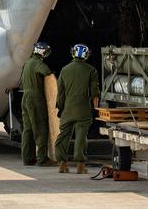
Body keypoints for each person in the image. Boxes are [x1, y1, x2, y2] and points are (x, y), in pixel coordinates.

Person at [55, 43, 100, 174]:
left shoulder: (64, 70)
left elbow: (60, 94)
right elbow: (94, 93)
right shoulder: (91, 70)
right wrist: (95, 109)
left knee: (63, 136)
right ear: (86, 55)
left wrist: (61, 108)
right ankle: (80, 165)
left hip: (68, 109)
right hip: (83, 110)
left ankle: (62, 164)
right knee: (81, 137)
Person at [21, 41, 55, 166]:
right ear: (41, 52)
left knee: (28, 129)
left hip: (25, 97)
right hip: (35, 97)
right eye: (45, 52)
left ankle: (27, 158)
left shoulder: (28, 62)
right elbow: (47, 72)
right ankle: (42, 158)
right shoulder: (37, 63)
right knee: (40, 127)